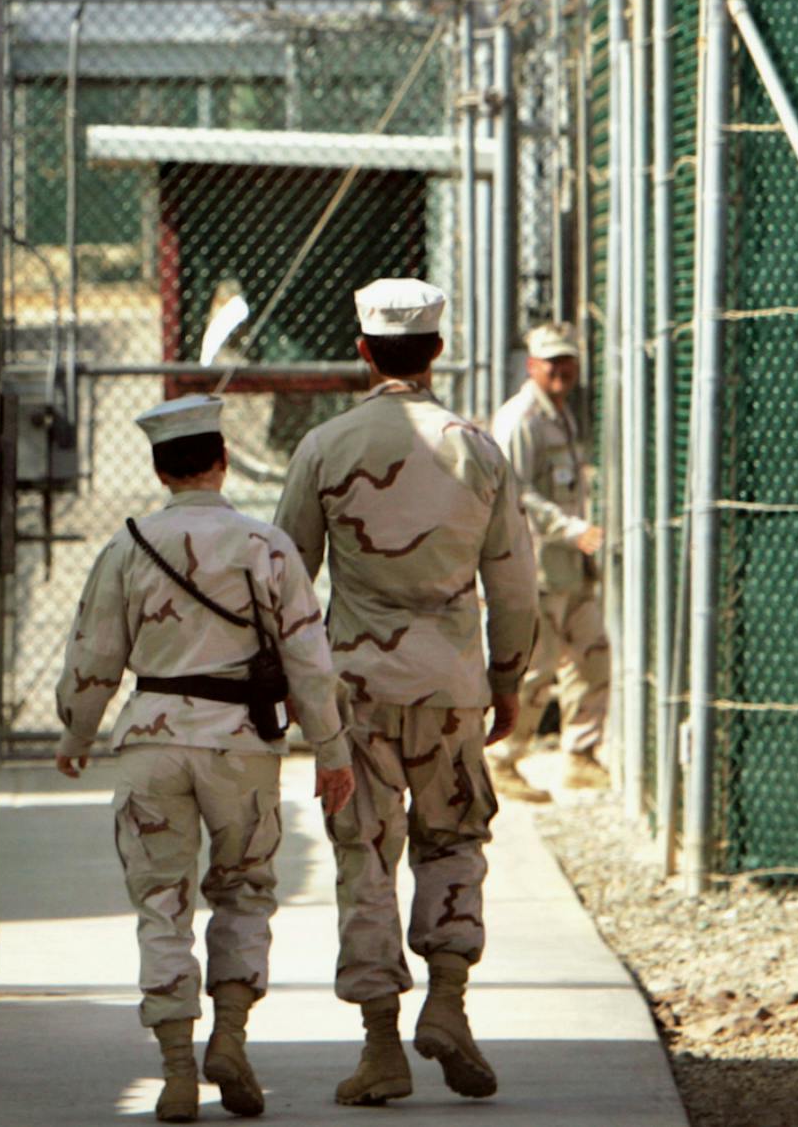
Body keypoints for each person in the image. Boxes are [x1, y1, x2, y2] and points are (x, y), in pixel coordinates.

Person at [272, 280, 538, 1108]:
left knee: (365, 853)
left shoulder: (326, 445)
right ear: (438, 349)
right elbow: (517, 585)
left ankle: (382, 1046)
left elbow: (286, 580)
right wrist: (508, 678)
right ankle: (449, 1002)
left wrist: (296, 696)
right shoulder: (477, 446)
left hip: (355, 689)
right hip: (452, 682)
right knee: (455, 840)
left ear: (362, 350)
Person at [56, 394, 356, 1122]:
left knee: (161, 904)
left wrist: (77, 734)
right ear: (221, 462)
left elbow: (95, 656)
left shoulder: (128, 545)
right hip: (242, 746)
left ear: (161, 470)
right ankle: (230, 1035)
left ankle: (176, 1071)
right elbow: (310, 661)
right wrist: (330, 749)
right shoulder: (269, 547)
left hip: (153, 743)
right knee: (245, 890)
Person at [487, 322, 611, 801]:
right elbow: (517, 492)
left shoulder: (559, 413)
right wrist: (571, 529)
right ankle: (502, 758)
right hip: (538, 564)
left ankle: (580, 755)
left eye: (568, 361)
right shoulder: (522, 420)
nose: (561, 371)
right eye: (551, 362)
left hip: (569, 567)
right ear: (532, 365)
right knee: (536, 670)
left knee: (593, 654)